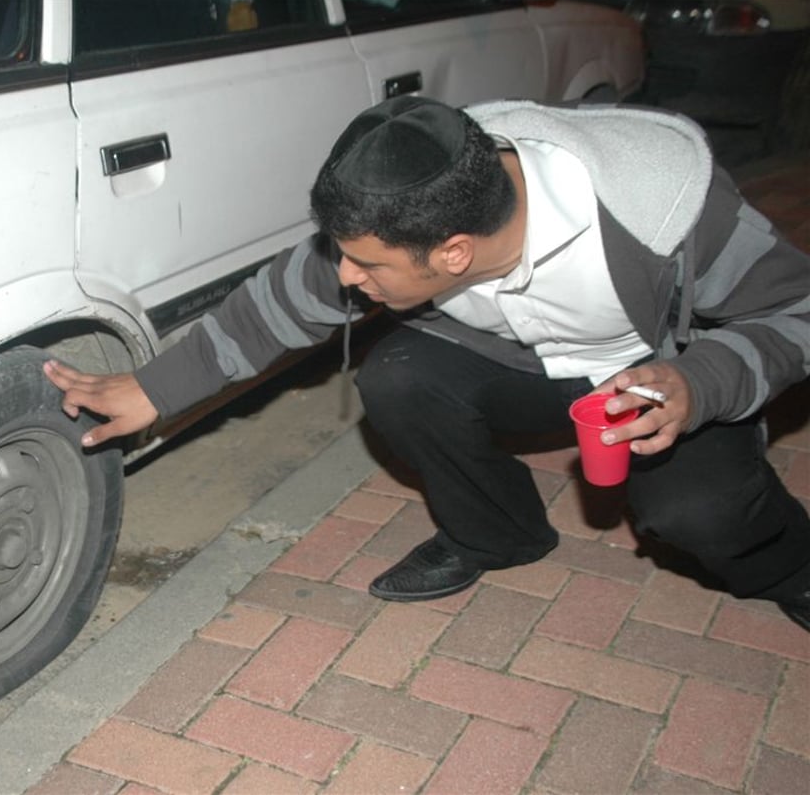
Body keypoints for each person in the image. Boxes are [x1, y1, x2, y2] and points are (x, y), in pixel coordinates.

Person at [44, 96, 810, 630]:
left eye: (364, 264)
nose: (345, 276)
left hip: (656, 379)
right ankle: (497, 535)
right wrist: (153, 389)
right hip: (527, 364)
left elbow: (798, 311)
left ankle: (794, 570)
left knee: (694, 514)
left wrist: (699, 381)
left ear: (453, 253)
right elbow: (276, 303)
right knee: (396, 376)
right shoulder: (415, 198)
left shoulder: (666, 211)